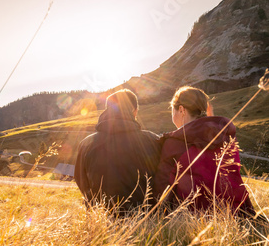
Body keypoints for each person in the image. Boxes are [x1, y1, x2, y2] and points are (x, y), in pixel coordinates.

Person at [154, 86, 256, 217]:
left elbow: (162, 185)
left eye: (172, 110)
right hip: (236, 211)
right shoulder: (224, 135)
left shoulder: (175, 142)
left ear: (181, 110)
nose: (172, 115)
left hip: (193, 216)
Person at [74, 89, 161, 217]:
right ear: (134, 111)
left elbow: (82, 182)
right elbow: (162, 180)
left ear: (107, 111)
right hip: (145, 221)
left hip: (101, 221)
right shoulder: (152, 140)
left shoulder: (86, 144)